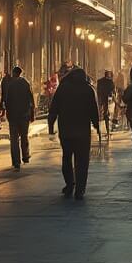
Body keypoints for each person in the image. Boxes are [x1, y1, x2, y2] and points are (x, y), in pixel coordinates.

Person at [48, 66, 100, 199]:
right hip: (83, 132)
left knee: (66, 158)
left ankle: (69, 184)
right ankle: (80, 189)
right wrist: (96, 125)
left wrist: (51, 126)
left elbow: (53, 108)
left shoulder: (63, 88)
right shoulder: (88, 89)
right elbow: (94, 109)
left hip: (66, 131)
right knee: (82, 161)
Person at [2, 64, 35, 171]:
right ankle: (25, 156)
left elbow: (6, 99)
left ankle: (16, 161)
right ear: (21, 73)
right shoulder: (26, 83)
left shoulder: (10, 84)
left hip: (13, 116)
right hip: (24, 115)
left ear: (13, 73)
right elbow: (31, 99)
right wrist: (32, 113)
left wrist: (6, 112)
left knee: (14, 139)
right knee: (24, 136)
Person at [96, 70, 115, 136]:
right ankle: (107, 131)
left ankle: (100, 131)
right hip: (107, 100)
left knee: (100, 115)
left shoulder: (99, 81)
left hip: (101, 100)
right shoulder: (110, 82)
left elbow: (98, 91)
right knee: (106, 115)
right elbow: (113, 91)